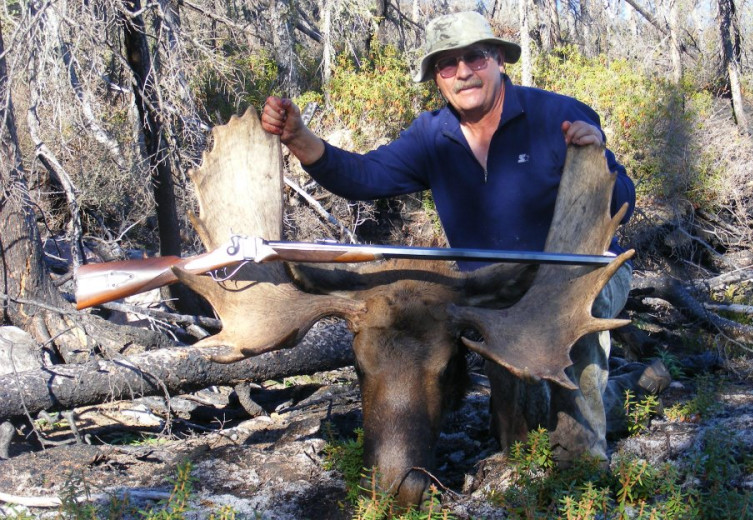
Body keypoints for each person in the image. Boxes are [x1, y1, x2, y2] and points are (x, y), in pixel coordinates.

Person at [261, 11, 669, 464]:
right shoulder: (430, 136)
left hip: (585, 275)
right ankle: (635, 389)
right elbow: (364, 175)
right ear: (437, 77)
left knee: (570, 412)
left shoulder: (555, 115)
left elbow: (623, 201)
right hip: (499, 291)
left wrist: (598, 161)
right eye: (447, 64)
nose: (462, 73)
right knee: (522, 439)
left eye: (474, 57)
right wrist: (300, 140)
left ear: (497, 59)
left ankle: (586, 460)